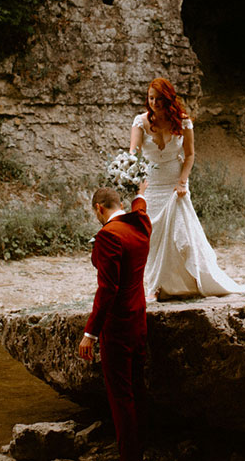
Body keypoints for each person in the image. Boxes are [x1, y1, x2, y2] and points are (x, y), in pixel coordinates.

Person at [130, 78, 245, 299]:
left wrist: (182, 182)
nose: (154, 103)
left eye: (159, 99)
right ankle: (157, 286)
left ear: (168, 99)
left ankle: (185, 282)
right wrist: (133, 178)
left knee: (181, 235)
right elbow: (134, 154)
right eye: (150, 98)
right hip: (150, 185)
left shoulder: (183, 122)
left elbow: (190, 155)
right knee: (152, 237)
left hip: (174, 186)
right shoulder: (140, 122)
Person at [78, 181, 151, 461]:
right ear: (120, 205)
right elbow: (141, 207)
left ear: (99, 208)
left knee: (121, 397)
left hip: (118, 326)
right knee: (138, 388)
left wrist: (90, 334)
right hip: (139, 320)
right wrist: (141, 194)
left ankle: (129, 456)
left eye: (96, 213)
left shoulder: (109, 236)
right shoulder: (141, 224)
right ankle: (141, 448)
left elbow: (108, 289)